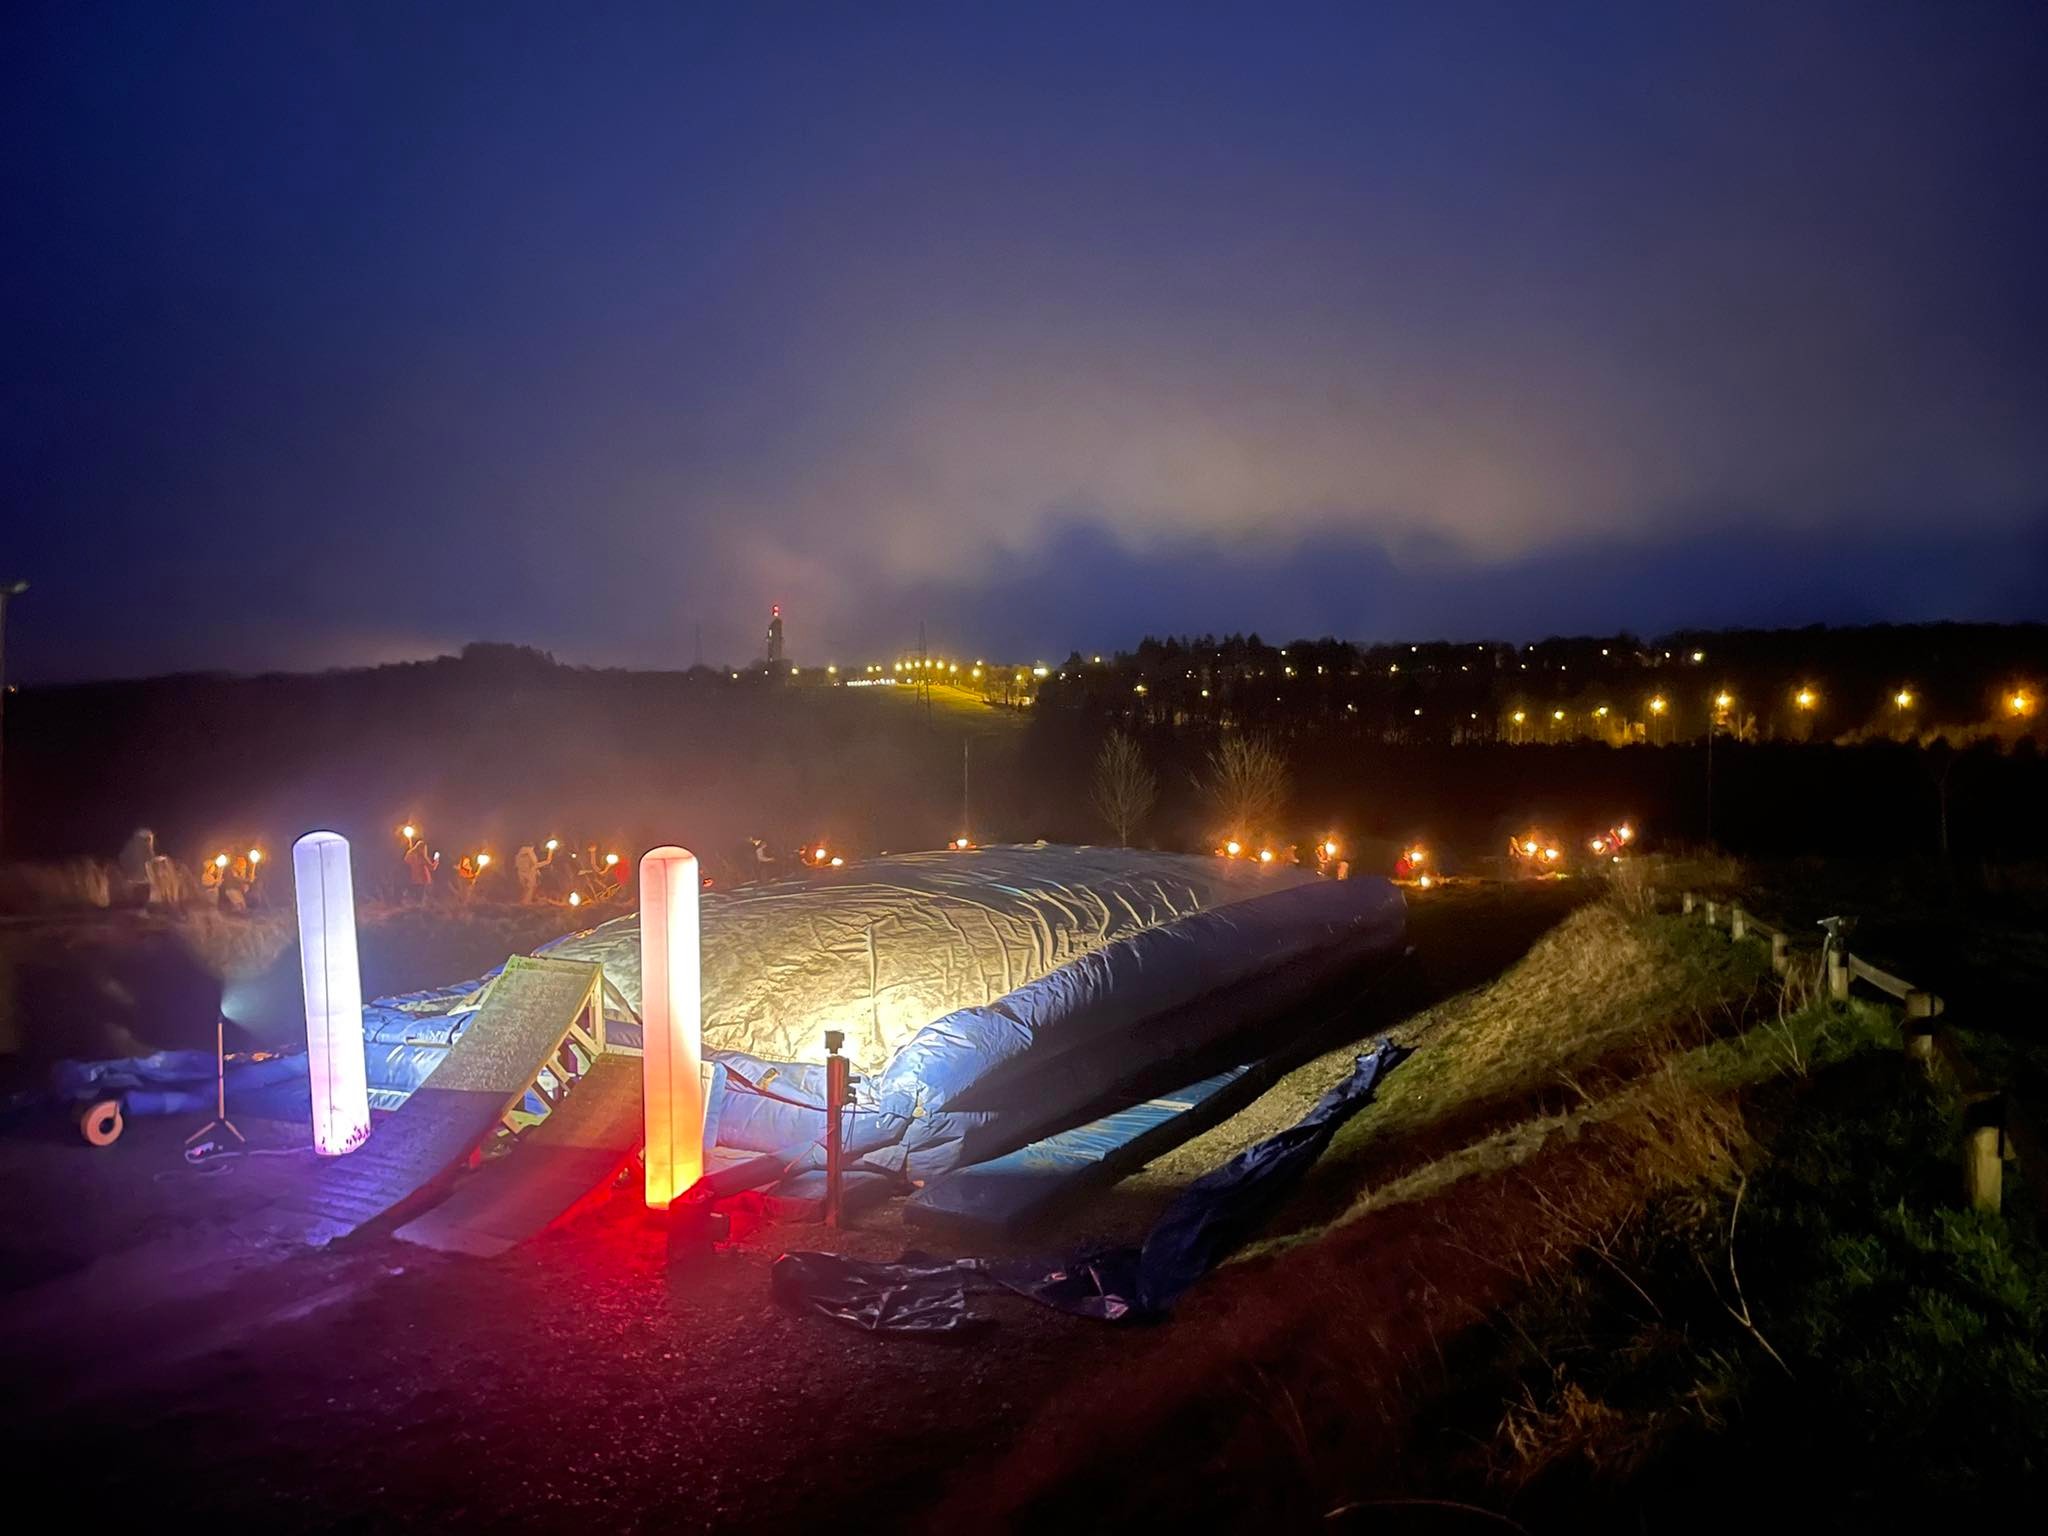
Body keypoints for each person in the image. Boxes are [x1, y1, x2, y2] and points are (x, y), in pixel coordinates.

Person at [404, 838, 439, 903]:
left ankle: (415, 908)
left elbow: (406, 861)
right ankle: (421, 909)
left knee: (416, 896)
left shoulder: (410, 856)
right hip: (423, 879)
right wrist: (436, 860)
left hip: (414, 878)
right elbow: (432, 868)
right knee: (422, 897)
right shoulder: (422, 857)